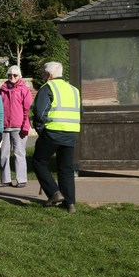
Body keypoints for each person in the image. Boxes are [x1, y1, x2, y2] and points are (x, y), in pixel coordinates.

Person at [31, 61, 80, 213]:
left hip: (53, 132)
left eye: (44, 75)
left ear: (49, 75)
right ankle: (70, 203)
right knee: (66, 168)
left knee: (39, 161)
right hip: (71, 132)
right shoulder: (74, 90)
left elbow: (40, 113)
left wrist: (40, 129)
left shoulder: (48, 88)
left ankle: (54, 192)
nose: (44, 78)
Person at [0, 65, 32, 188]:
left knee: (19, 153)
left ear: (19, 76)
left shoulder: (24, 90)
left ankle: (21, 179)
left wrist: (26, 126)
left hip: (19, 128)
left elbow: (28, 110)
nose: (12, 77)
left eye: (15, 75)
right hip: (4, 127)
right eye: (9, 75)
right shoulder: (2, 90)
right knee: (3, 153)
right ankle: (5, 179)